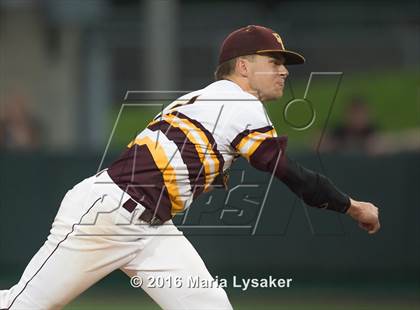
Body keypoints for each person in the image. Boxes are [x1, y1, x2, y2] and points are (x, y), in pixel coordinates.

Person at [0, 25, 380, 310]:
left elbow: (172, 152)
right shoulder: (239, 103)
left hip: (150, 229)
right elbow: (291, 174)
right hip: (107, 218)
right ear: (244, 67)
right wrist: (352, 206)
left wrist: (208, 175)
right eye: (274, 62)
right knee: (23, 305)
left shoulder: (206, 97)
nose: (283, 71)